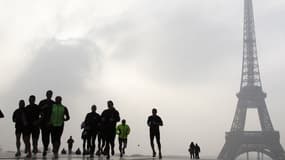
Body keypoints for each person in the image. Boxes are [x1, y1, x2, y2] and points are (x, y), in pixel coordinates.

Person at [38, 90, 55, 157]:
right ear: (46, 94)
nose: (49, 95)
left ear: (51, 95)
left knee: (52, 137)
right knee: (44, 137)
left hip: (51, 123)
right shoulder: (42, 102)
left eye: (50, 94)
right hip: (43, 122)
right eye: (48, 94)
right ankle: (45, 148)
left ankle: (54, 149)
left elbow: (55, 113)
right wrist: (43, 107)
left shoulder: (53, 103)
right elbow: (38, 111)